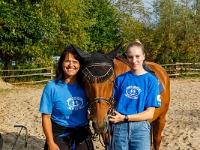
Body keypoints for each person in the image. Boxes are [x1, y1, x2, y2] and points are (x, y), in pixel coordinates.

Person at [109, 40, 161, 150]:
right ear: (126, 58)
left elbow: (149, 114)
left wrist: (124, 117)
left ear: (143, 56)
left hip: (140, 129)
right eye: (130, 57)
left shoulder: (151, 81)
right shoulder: (120, 79)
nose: (134, 61)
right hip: (119, 129)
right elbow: (113, 104)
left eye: (137, 56)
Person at [39, 45, 94, 150]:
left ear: (80, 65)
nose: (71, 65)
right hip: (60, 134)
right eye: (67, 61)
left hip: (82, 132)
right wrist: (50, 142)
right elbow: (46, 117)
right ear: (61, 64)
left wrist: (91, 116)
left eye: (75, 62)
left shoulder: (86, 86)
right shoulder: (51, 87)